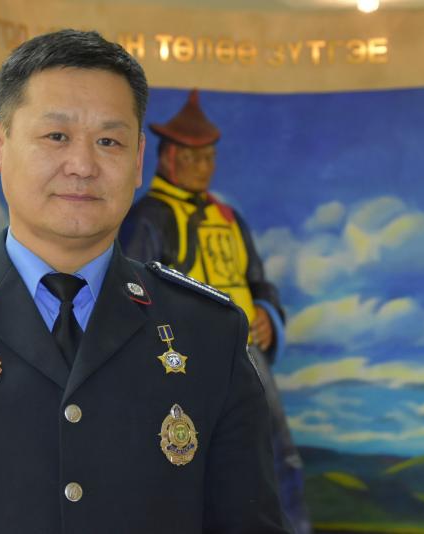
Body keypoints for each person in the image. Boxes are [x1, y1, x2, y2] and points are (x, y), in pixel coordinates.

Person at [0, 30, 292, 534]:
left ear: (137, 162)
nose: (82, 166)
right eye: (56, 136)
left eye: (109, 141)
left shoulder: (209, 332)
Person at [120, 89, 311, 534]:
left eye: (209, 157)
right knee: (186, 457)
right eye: (195, 157)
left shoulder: (228, 217)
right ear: (169, 158)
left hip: (247, 355)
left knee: (276, 453)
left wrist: (266, 313)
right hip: (182, 360)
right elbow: (133, 291)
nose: (205, 167)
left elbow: (258, 280)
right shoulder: (148, 217)